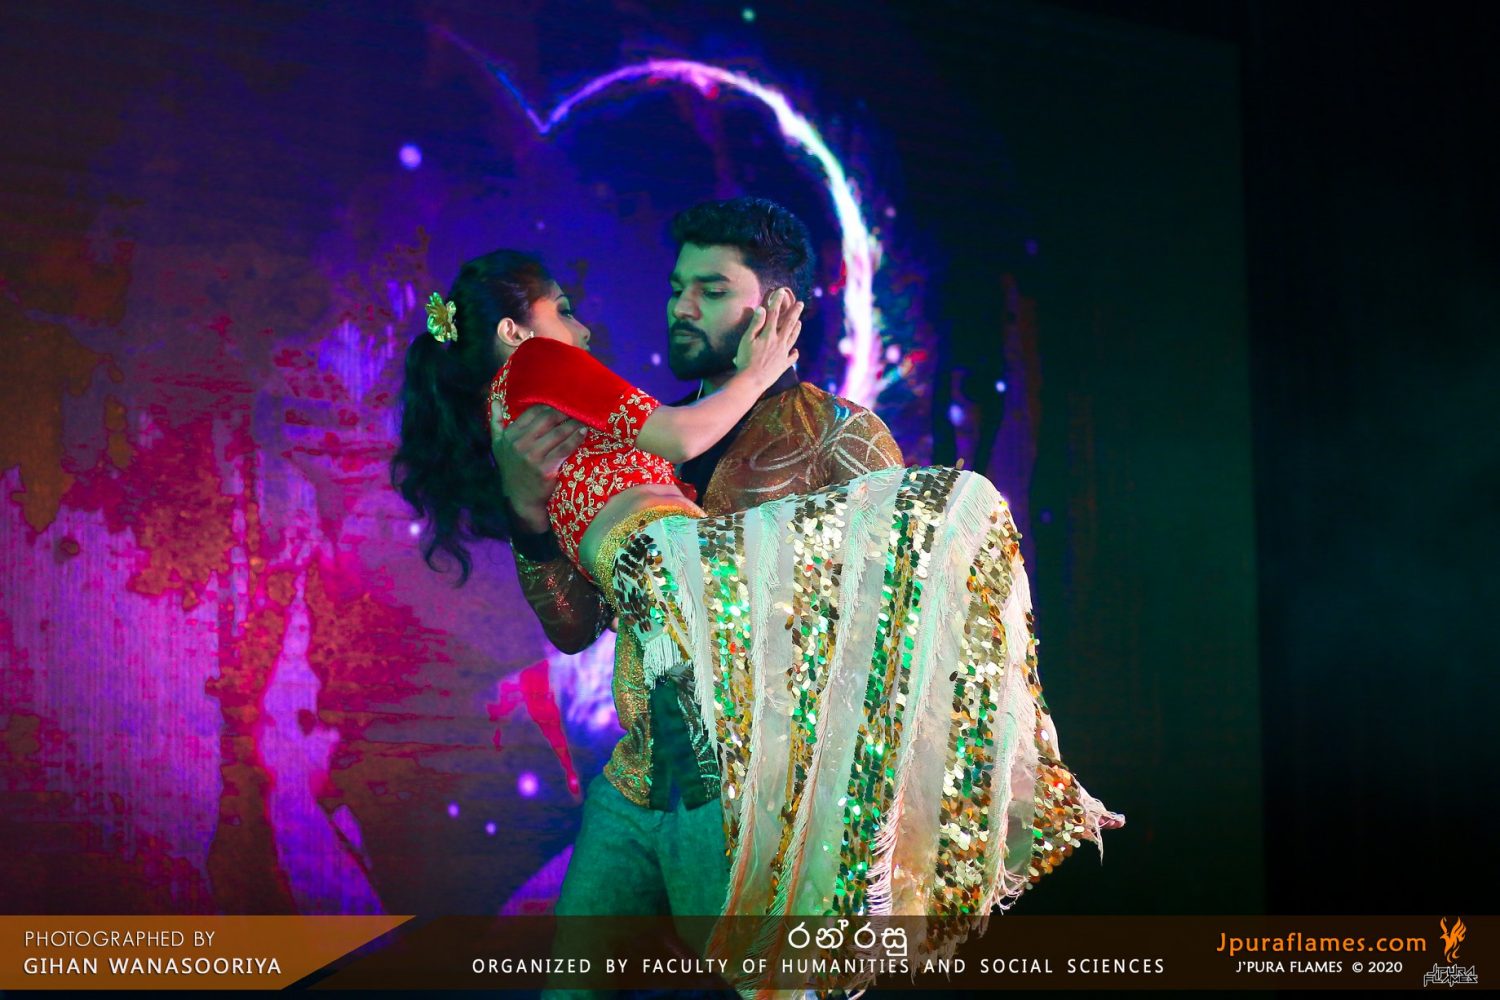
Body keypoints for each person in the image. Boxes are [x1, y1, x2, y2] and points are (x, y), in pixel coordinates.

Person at [393, 202, 1121, 996]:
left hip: (757, 794)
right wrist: (527, 515)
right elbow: (575, 627)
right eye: (676, 288)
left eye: (710, 291)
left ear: (775, 310)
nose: (681, 307)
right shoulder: (637, 432)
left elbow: (890, 632)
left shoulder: (839, 434)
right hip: (640, 776)